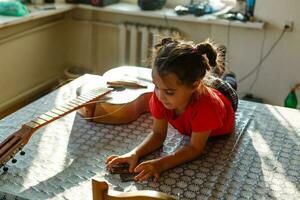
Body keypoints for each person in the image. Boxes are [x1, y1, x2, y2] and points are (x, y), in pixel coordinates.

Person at [106, 37, 238, 182]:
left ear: (194, 86)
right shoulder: (161, 96)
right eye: (156, 86)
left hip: (225, 99)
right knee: (210, 80)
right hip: (199, 89)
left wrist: (161, 164)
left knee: (227, 83)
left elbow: (195, 148)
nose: (160, 96)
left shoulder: (208, 107)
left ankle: (231, 77)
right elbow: (158, 134)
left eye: (169, 92)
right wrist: (134, 153)